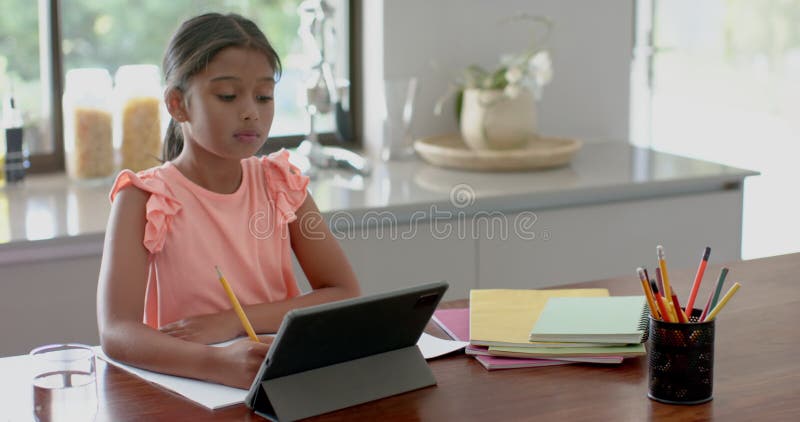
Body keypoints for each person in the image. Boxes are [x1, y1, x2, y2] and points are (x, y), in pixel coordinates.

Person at [97, 13, 360, 389]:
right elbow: (117, 331)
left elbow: (345, 294)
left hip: (279, 380)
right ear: (178, 105)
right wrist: (216, 362)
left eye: (264, 95)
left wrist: (235, 320)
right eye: (227, 96)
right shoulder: (142, 198)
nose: (251, 110)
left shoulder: (281, 182)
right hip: (190, 389)